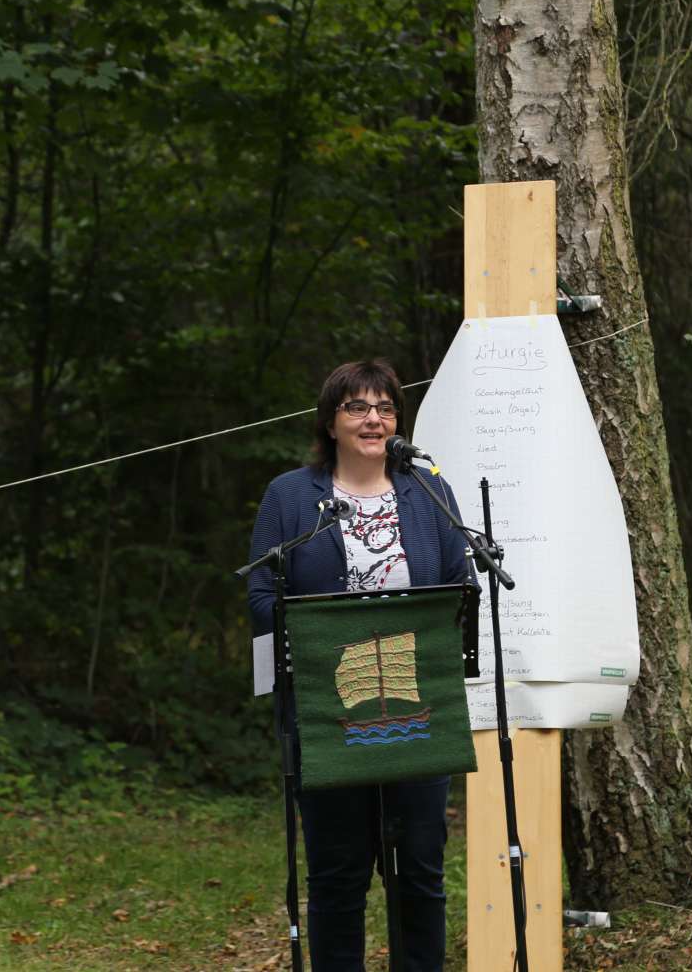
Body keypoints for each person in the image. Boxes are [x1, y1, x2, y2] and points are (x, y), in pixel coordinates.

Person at [247, 358, 475, 972]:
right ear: (330, 421)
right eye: (357, 407)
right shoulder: (292, 496)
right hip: (330, 711)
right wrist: (314, 645)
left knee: (419, 870)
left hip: (417, 706)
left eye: (385, 408)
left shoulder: (428, 491)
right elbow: (262, 595)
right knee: (338, 874)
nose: (373, 419)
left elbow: (461, 581)